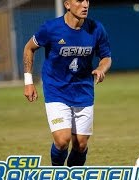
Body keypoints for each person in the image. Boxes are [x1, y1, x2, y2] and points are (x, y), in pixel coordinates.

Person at [23, 0, 112, 167]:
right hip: (56, 89)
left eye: (87, 0)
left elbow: (106, 56)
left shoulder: (96, 28)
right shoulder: (50, 28)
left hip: (83, 90)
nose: (85, 5)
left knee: (80, 145)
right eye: (79, 1)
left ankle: (73, 174)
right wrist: (28, 81)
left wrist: (101, 68)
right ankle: (56, 173)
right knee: (62, 140)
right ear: (67, 4)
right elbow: (29, 48)